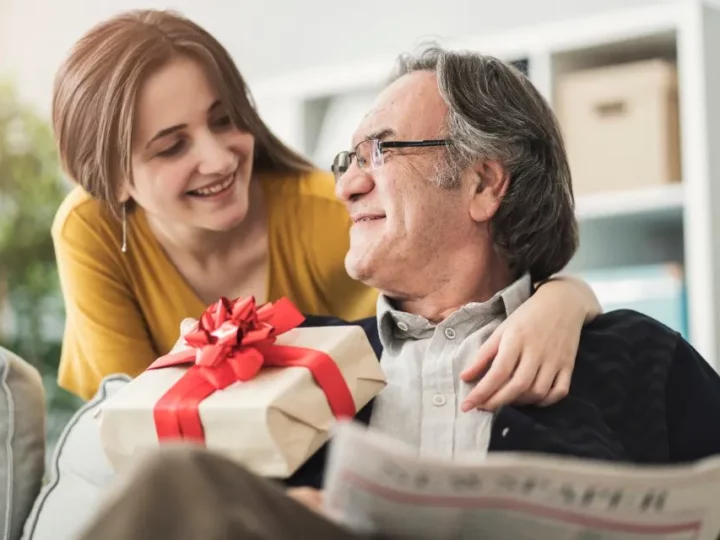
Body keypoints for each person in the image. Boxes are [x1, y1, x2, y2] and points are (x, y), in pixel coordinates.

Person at [75, 45, 720, 540]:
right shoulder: (298, 357)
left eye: (379, 152)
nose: (347, 187)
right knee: (176, 481)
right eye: (346, 162)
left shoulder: (639, 357)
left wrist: (566, 296)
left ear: (483, 184)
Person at [51, 9, 600, 407]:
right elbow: (125, 420)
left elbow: (471, 281)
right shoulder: (90, 229)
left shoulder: (331, 210)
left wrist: (564, 297)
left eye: (223, 120)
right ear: (114, 180)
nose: (218, 158)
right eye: (172, 146)